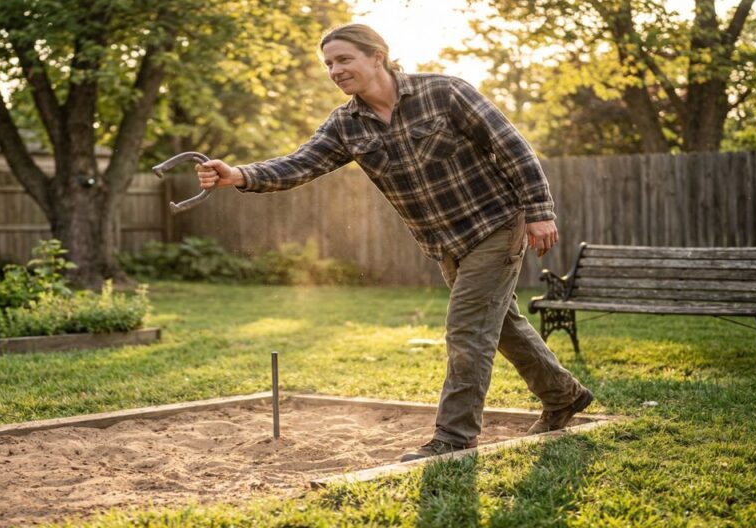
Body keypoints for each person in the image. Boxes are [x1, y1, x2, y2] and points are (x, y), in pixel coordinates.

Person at [195, 23, 592, 462]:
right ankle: (563, 395)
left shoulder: (444, 93)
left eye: (344, 59)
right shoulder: (345, 125)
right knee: (499, 325)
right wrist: (240, 175)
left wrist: (540, 212)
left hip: (496, 223)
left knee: (467, 328)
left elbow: (514, 149)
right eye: (328, 63)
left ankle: (454, 436)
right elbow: (300, 164)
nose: (335, 70)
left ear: (377, 56)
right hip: (444, 241)